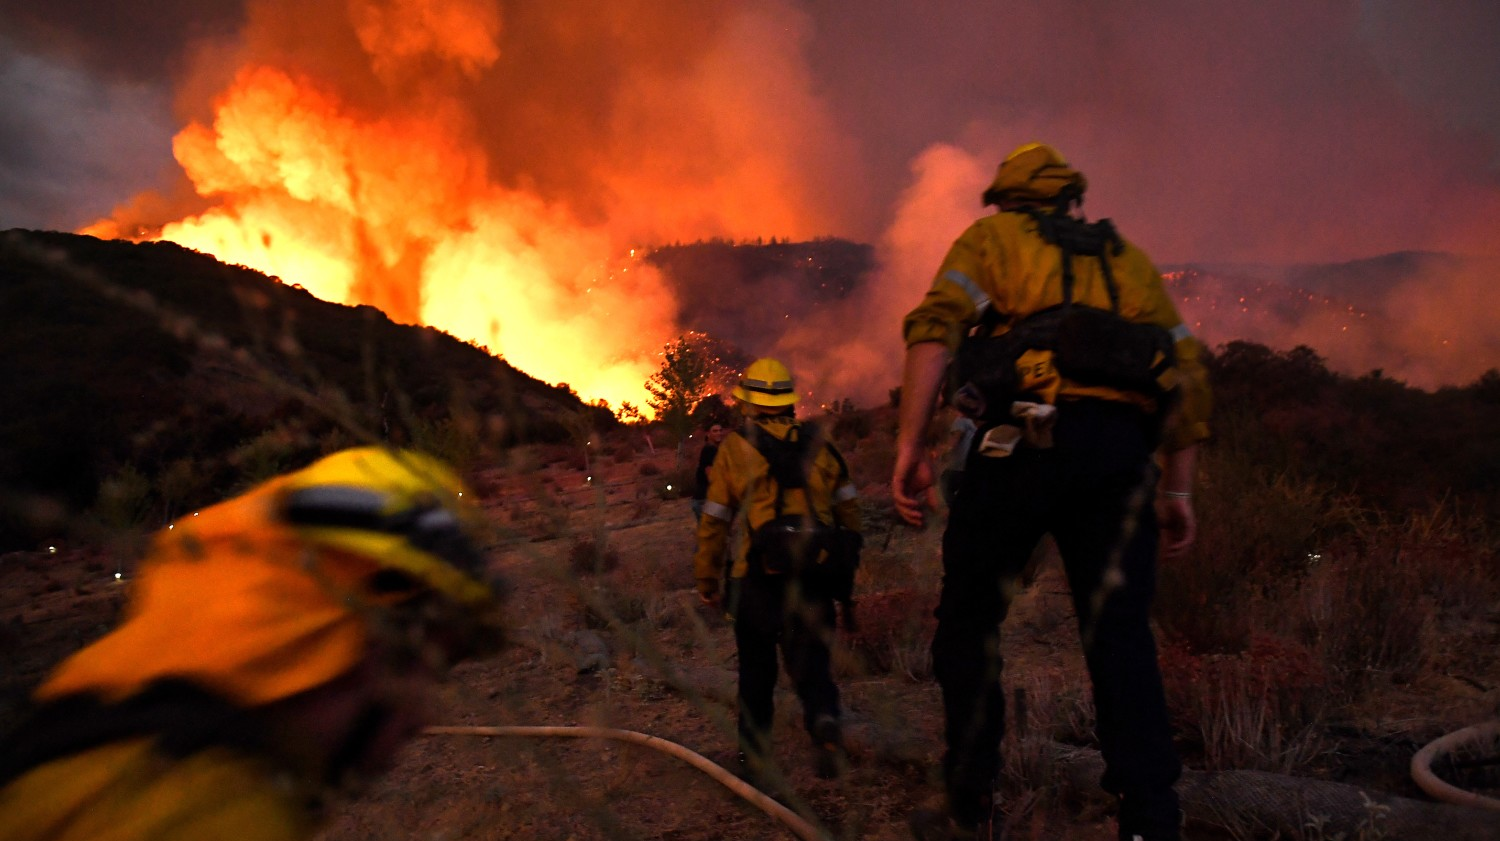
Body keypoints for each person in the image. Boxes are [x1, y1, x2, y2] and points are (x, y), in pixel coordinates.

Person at [892, 143, 1211, 841]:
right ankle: (1150, 822)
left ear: (1007, 199)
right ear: (1072, 199)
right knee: (1121, 638)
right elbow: (1186, 372)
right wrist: (1178, 490)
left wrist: (910, 445)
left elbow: (935, 326)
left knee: (970, 625)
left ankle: (971, 808)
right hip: (1120, 462)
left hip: (1017, 451)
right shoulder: (1125, 259)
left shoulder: (992, 239)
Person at [0, 447, 504, 841]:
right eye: (423, 665)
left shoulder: (87, 746)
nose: (422, 714)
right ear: (335, 637)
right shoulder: (210, 818)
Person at [694, 358, 863, 783]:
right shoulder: (821, 444)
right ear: (789, 400)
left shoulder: (735, 449)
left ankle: (755, 757)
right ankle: (824, 723)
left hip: (757, 579)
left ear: (748, 403)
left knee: (756, 669)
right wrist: (843, 565)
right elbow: (850, 512)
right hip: (815, 574)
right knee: (812, 663)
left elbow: (715, 521)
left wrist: (707, 580)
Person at [690, 421, 728, 522]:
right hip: (704, 500)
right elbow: (711, 476)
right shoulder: (710, 450)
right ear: (708, 434)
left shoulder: (716, 449)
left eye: (720, 430)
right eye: (715, 431)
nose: (719, 433)